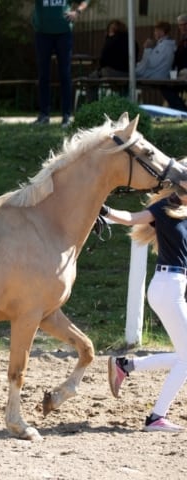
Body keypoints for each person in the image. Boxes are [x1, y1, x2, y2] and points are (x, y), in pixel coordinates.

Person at [103, 183, 187, 433]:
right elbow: (131, 219)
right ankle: (156, 417)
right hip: (166, 287)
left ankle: (126, 366)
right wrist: (102, 208)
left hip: (177, 287)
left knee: (185, 356)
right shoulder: (165, 207)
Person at [32, 0, 89, 128]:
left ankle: (66, 116)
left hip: (64, 33)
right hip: (42, 33)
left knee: (65, 75)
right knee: (43, 75)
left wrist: (77, 12)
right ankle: (44, 115)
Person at [161, 14, 187, 112]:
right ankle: (182, 110)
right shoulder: (182, 41)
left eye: (185, 24)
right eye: (181, 25)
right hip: (180, 74)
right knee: (166, 86)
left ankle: (182, 110)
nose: (183, 27)